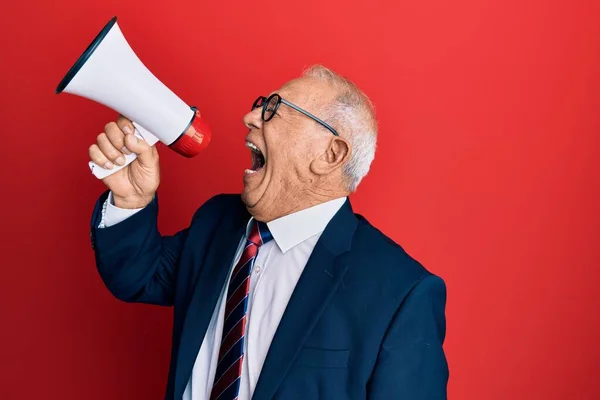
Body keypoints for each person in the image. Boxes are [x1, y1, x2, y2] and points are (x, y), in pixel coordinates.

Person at [88, 65, 448, 400]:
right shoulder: (218, 222)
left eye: (274, 108)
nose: (249, 117)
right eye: (261, 104)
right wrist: (131, 198)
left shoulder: (402, 292)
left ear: (330, 154)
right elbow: (139, 276)